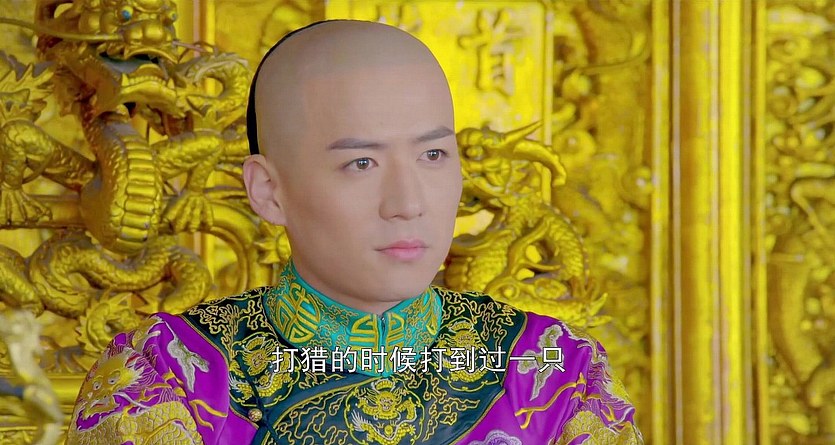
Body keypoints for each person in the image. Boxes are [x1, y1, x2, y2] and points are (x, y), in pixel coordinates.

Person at [67, 20, 643, 445]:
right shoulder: (171, 377)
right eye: (360, 163)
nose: (408, 203)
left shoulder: (554, 373)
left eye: (434, 155)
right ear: (269, 191)